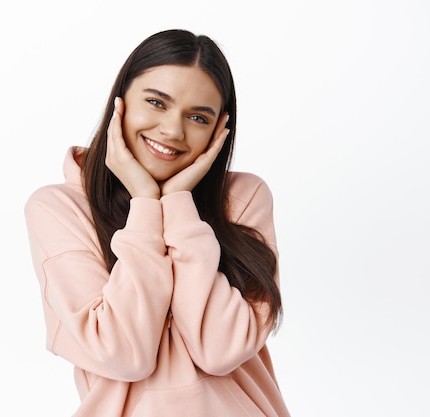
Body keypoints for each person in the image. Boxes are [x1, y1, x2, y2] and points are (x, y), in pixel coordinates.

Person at [24, 28, 291, 417]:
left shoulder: (244, 198)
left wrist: (179, 205)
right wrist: (146, 205)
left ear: (220, 130)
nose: (173, 131)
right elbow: (124, 353)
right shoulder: (58, 208)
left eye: (198, 117)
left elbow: (221, 350)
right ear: (120, 102)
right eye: (156, 102)